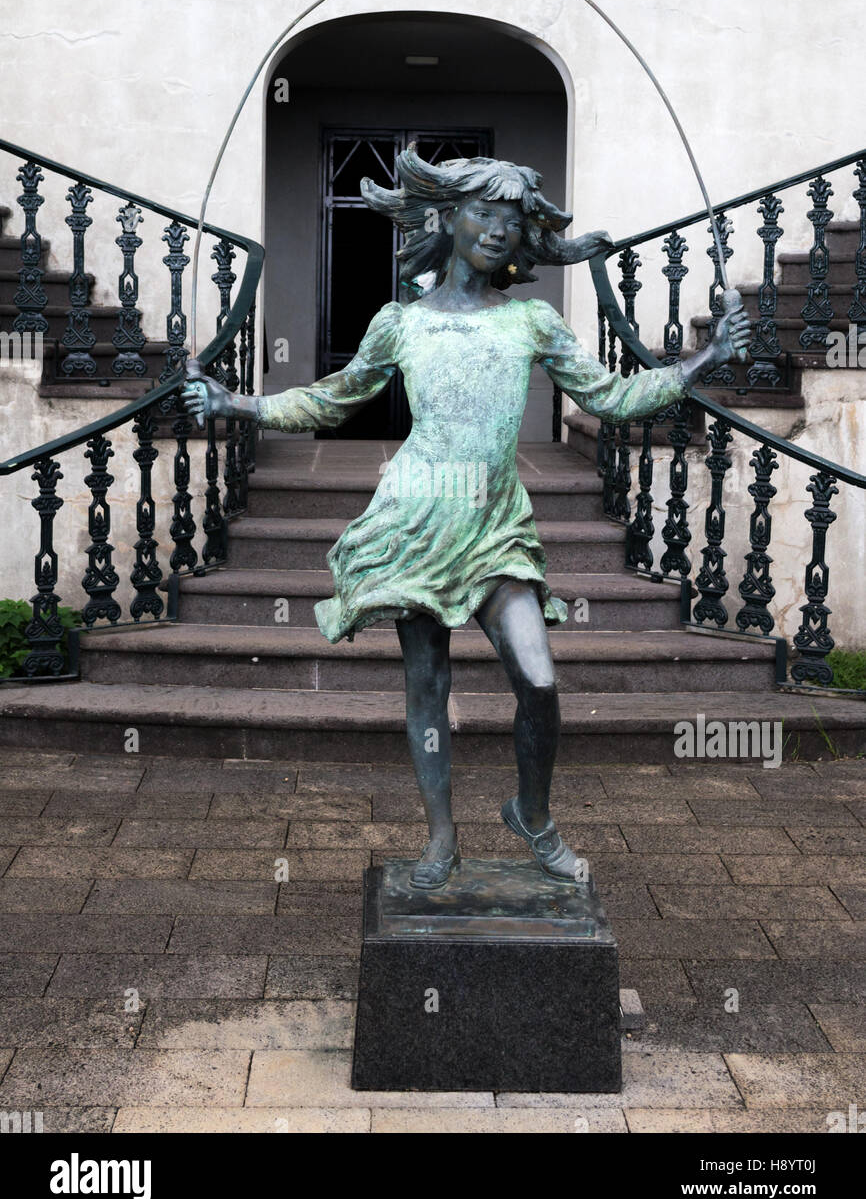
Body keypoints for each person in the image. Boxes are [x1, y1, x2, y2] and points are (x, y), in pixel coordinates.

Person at [182, 146, 750, 890]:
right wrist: (238, 403)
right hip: (417, 519)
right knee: (427, 686)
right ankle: (441, 838)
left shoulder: (531, 321)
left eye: (513, 221)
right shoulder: (400, 323)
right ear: (447, 218)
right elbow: (332, 398)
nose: (498, 231)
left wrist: (701, 363)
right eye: (483, 212)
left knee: (539, 681)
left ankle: (533, 814)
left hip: (494, 526)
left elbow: (609, 397)